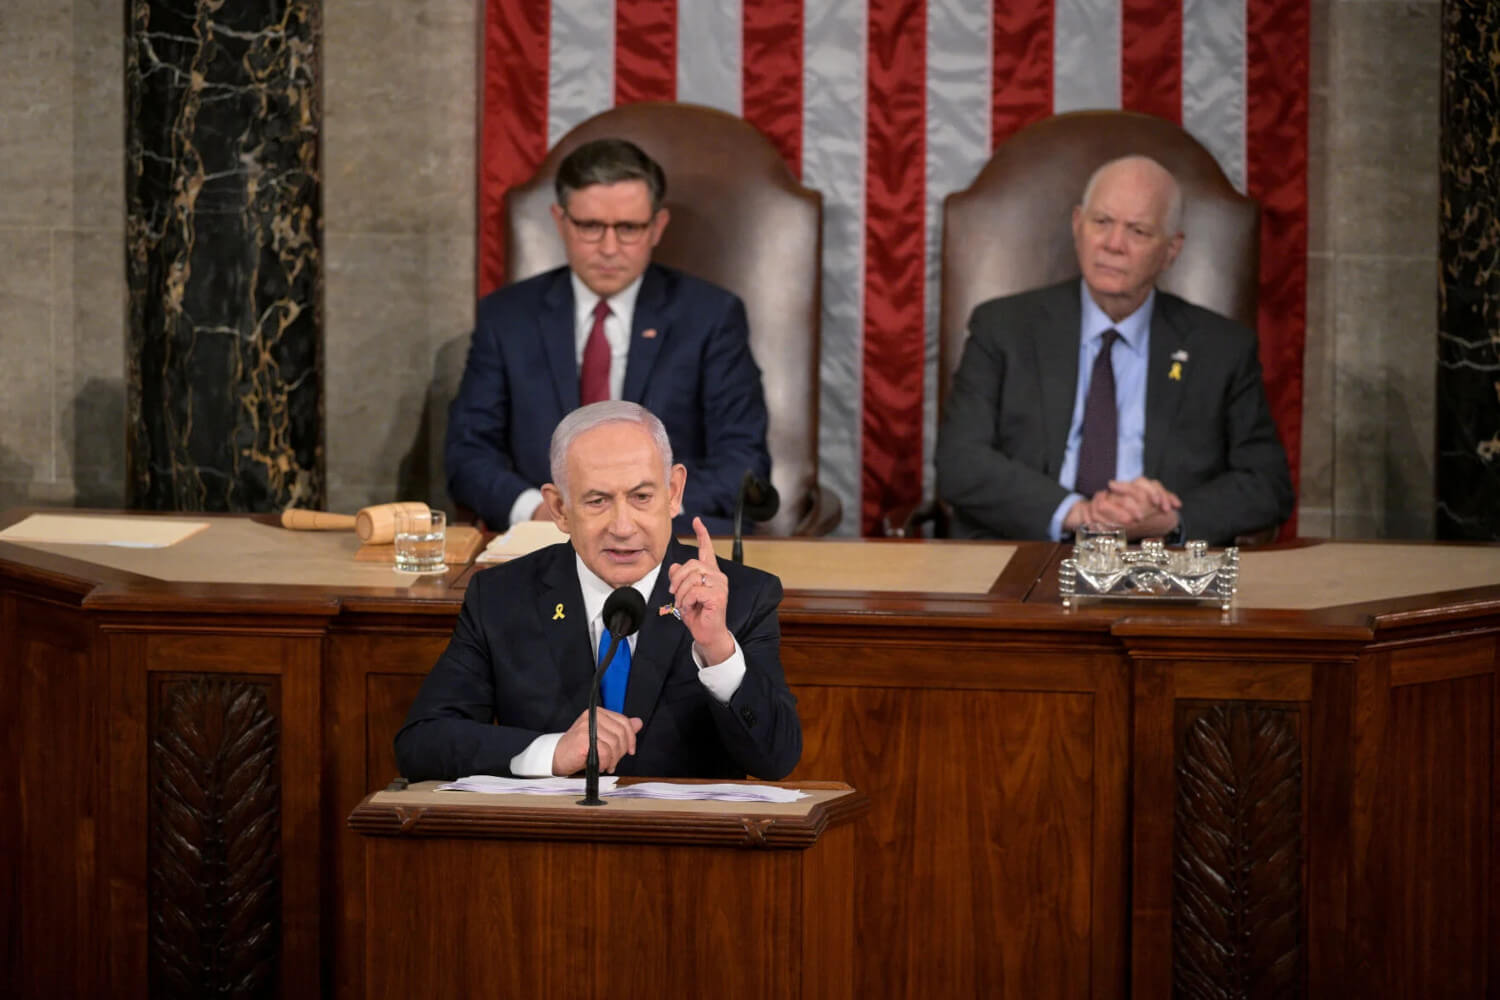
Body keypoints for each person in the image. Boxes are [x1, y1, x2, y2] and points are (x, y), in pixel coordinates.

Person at [397, 401, 801, 782]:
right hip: (548, 850)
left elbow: (776, 759)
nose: (623, 526)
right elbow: (422, 743)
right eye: (597, 501)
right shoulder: (502, 598)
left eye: (642, 497)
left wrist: (718, 649)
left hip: (689, 850)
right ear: (559, 509)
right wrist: (551, 752)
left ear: (674, 492)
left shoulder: (742, 597)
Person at [935, 155, 1293, 545]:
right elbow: (959, 462)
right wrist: (1077, 512)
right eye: (1101, 222)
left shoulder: (1220, 348)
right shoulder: (1003, 328)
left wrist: (1171, 519)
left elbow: (1267, 484)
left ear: (1171, 250)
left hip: (1158, 567)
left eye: (1138, 231)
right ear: (1077, 225)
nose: (1113, 244)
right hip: (1029, 552)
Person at [445, 137, 771, 535]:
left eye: (629, 228)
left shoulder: (711, 317)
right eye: (590, 226)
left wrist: (639, 513)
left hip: (672, 544)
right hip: (547, 541)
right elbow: (468, 453)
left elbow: (743, 461)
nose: (609, 247)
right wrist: (537, 511)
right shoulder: (508, 317)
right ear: (560, 221)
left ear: (657, 227)